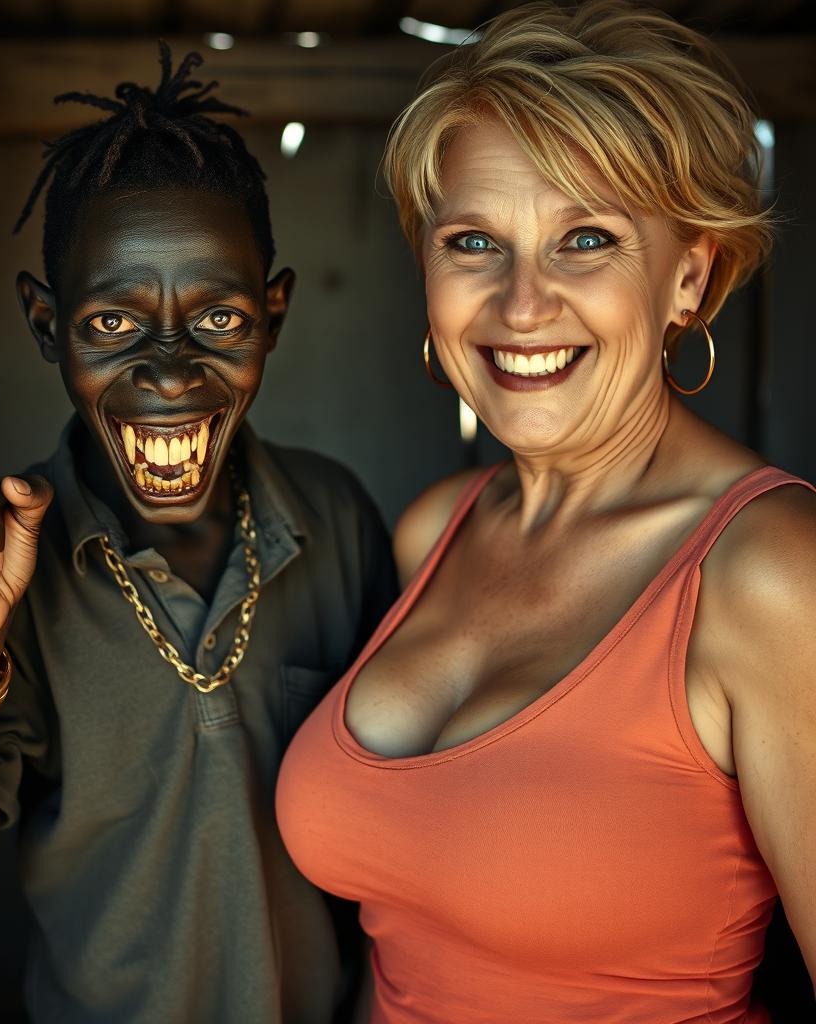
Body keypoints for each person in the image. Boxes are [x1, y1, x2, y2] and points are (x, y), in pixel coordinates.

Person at [275, 3, 816, 1021]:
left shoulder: (770, 573)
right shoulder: (437, 528)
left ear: (687, 276)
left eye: (586, 240)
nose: (522, 304)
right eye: (475, 240)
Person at [0, 45, 396, 1024]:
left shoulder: (335, 520)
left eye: (219, 318)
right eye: (112, 323)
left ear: (273, 316)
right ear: (48, 324)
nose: (168, 370)